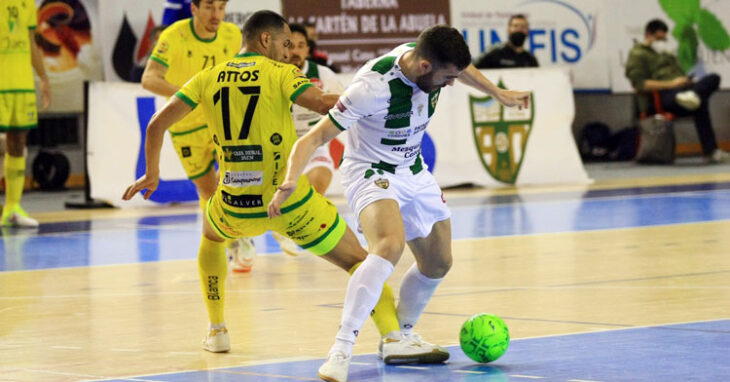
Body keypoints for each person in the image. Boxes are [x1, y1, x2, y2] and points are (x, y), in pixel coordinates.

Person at [124, 11, 445, 364]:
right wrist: (377, 90)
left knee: (212, 236)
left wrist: (151, 173)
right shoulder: (281, 74)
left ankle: (217, 331)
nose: (289, 52)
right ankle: (393, 337)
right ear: (265, 40)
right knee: (361, 260)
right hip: (290, 202)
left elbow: (156, 125)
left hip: (233, 203)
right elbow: (325, 104)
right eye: (285, 43)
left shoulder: (207, 77)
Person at [268, 25, 530, 381]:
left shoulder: (429, 57)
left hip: (413, 169)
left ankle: (400, 337)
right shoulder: (371, 89)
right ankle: (341, 349)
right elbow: (314, 138)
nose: (452, 84)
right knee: (389, 245)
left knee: (439, 262)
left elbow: (462, 68)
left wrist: (498, 94)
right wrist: (289, 182)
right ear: (424, 66)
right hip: (370, 170)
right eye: (447, 78)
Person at [142, 0, 256, 272]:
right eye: (208, 7)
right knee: (207, 190)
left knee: (236, 181)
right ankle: (229, 238)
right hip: (186, 127)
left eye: (220, 7)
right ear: (194, 9)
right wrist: (188, 94)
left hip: (224, 122)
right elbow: (149, 78)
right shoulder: (174, 36)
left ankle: (241, 231)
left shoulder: (232, 34)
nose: (216, 14)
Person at [271, 23, 345, 257]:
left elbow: (345, 103)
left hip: (312, 140)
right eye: (289, 45)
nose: (295, 50)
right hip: (279, 143)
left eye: (300, 45)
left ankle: (291, 226)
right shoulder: (271, 73)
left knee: (320, 180)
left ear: (307, 50)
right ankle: (242, 240)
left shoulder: (323, 74)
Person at [625, 19, 729, 163]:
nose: (663, 41)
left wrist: (686, 81)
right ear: (649, 35)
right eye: (659, 38)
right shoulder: (638, 54)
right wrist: (672, 83)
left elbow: (680, 75)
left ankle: (692, 95)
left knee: (713, 78)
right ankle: (710, 152)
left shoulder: (665, 54)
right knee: (699, 103)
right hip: (662, 97)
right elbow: (640, 84)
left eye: (665, 38)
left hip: (682, 91)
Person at [1, 0, 51, 227]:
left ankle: (12, 208)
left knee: (18, 140)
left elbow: (31, 41)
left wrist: (43, 77)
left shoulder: (27, 3)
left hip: (21, 82)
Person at [474, 14, 539, 69]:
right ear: (508, 30)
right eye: (516, 26)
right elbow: (473, 70)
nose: (519, 29)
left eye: (523, 27)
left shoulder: (530, 59)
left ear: (527, 31)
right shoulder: (494, 53)